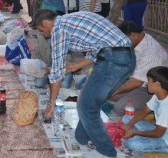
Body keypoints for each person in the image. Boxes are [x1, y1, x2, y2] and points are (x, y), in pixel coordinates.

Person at [34, 9, 135, 158]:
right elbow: (96, 48)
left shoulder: (58, 29)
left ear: (45, 22)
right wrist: (75, 66)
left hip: (113, 60)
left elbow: (56, 74)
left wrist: (51, 104)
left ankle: (107, 153)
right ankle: (82, 137)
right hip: (123, 57)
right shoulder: (71, 19)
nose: (44, 34)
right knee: (88, 101)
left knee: (87, 107)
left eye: (41, 29)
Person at [110, 21, 168, 116]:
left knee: (120, 108)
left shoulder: (150, 52)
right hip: (139, 82)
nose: (122, 43)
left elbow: (136, 82)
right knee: (106, 93)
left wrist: (113, 91)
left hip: (151, 89)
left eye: (123, 39)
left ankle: (152, 111)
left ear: (133, 35)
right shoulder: (142, 39)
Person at [121, 66, 168, 153]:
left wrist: (135, 132)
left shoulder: (166, 106)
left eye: (149, 81)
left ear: (157, 84)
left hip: (164, 138)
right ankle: (138, 134)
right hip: (160, 129)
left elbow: (158, 134)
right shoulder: (157, 95)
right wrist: (130, 124)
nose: (146, 83)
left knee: (133, 144)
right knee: (127, 118)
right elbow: (144, 111)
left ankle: (164, 149)